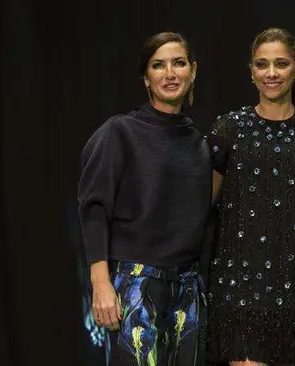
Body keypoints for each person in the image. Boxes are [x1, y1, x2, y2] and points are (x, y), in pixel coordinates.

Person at [205, 27, 295, 366]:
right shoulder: (229, 128)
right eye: (262, 64)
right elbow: (201, 204)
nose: (271, 73)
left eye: (281, 64)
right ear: (251, 71)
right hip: (239, 285)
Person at [78, 32, 211, 366]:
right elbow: (94, 208)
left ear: (192, 71)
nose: (170, 73)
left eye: (178, 63)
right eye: (158, 65)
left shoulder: (200, 143)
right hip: (134, 285)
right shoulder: (120, 132)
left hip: (187, 289)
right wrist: (101, 283)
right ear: (146, 79)